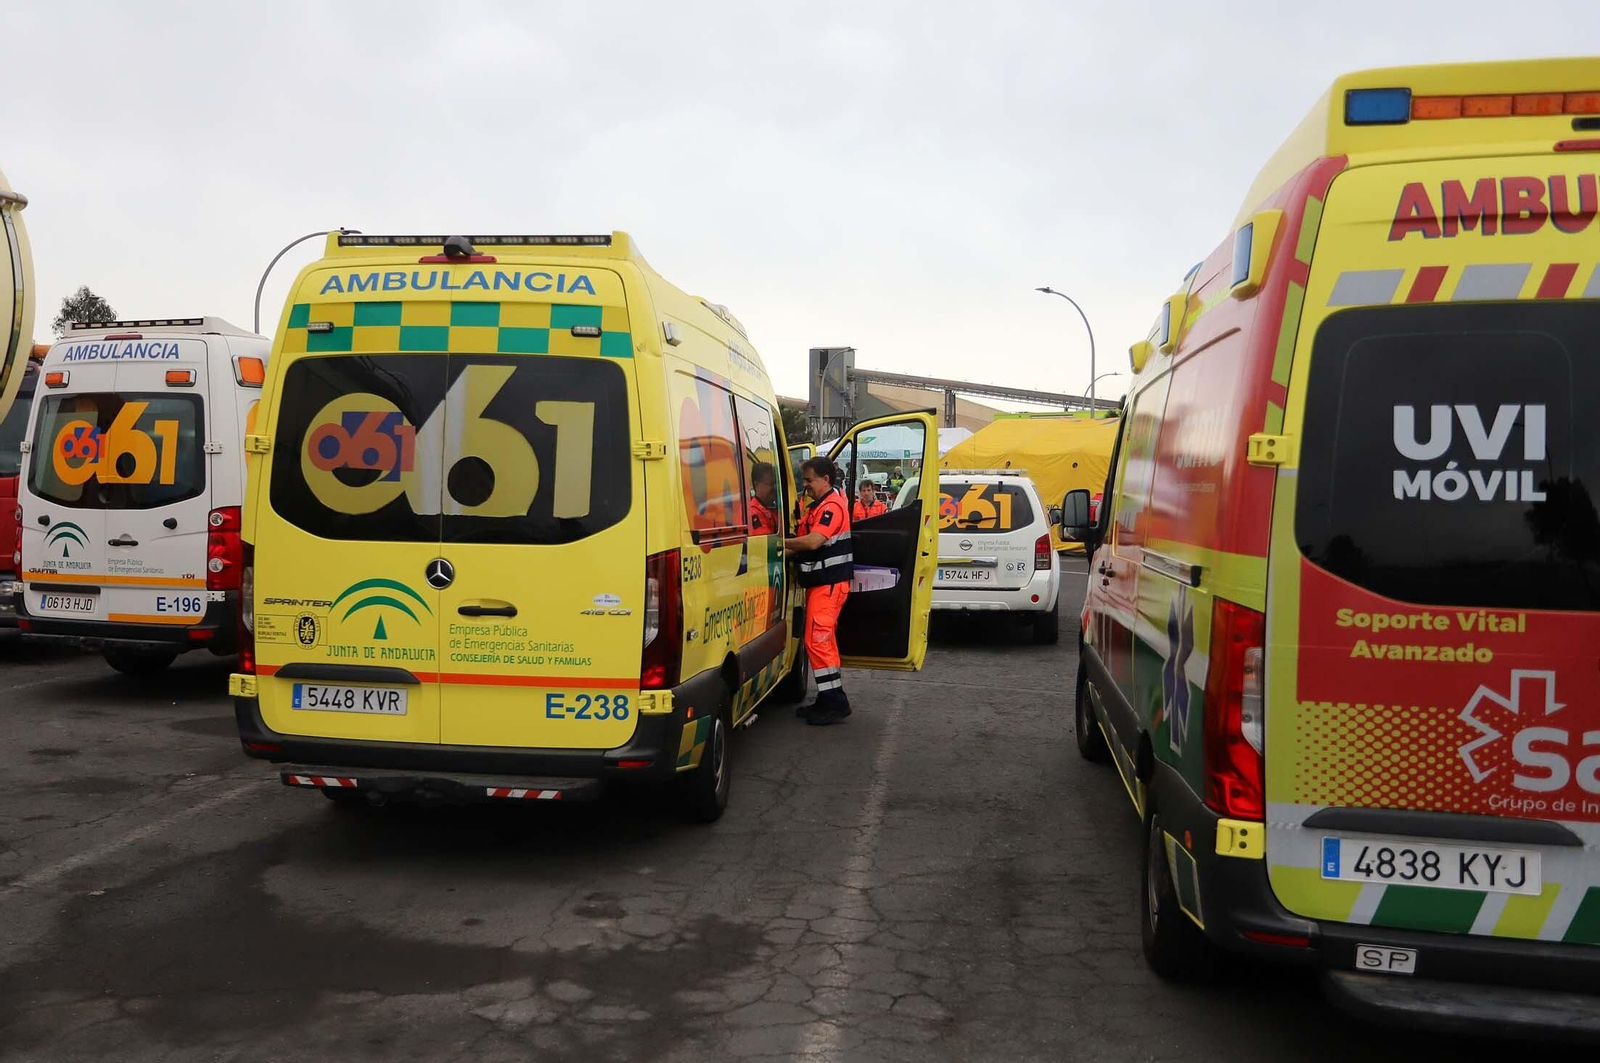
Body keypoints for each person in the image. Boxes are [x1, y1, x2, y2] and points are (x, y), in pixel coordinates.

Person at [785, 456, 853, 725]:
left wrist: (778, 543)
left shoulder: (832, 506)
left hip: (829, 585)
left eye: (809, 480)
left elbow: (814, 542)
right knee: (823, 642)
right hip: (822, 584)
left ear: (826, 479)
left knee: (817, 641)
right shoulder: (822, 505)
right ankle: (829, 697)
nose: (806, 485)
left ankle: (835, 702)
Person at [749, 461, 780, 535]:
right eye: (771, 484)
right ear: (757, 485)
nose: (775, 488)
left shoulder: (771, 507)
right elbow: (769, 542)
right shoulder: (753, 512)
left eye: (776, 483)